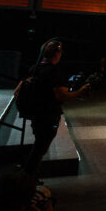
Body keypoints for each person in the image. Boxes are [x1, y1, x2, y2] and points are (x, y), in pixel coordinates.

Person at [19, 38, 89, 176]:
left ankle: (28, 178)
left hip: (35, 114)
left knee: (38, 146)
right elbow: (61, 95)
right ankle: (27, 179)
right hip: (49, 115)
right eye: (60, 51)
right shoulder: (54, 72)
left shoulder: (34, 68)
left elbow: (18, 91)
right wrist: (80, 92)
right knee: (40, 149)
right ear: (56, 53)